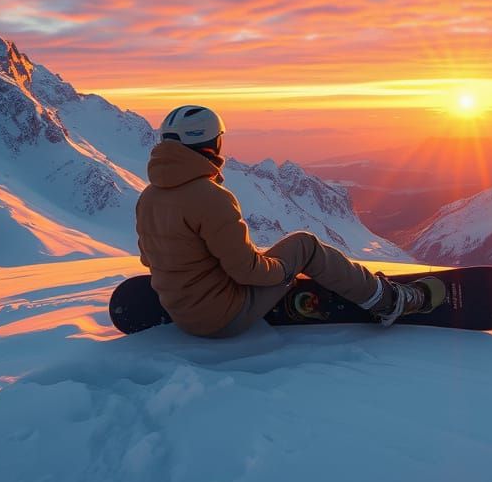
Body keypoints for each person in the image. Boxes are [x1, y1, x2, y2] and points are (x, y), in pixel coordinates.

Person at [135, 104, 444, 338]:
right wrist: (285, 272)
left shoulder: (149, 197)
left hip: (183, 313)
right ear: (210, 144)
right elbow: (247, 270)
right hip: (222, 317)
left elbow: (150, 258)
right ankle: (389, 302)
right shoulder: (211, 197)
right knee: (305, 245)